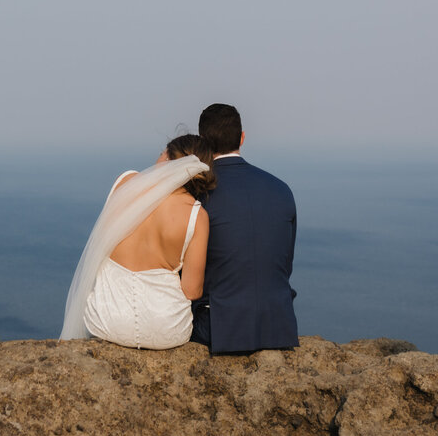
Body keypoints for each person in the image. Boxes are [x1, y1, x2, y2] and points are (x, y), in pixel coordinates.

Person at [61, 135, 215, 349]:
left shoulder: (126, 183)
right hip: (166, 330)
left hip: (106, 320)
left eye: (163, 152)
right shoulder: (196, 215)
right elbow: (192, 291)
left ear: (168, 159)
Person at [191, 103, 298, 353]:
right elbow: (285, 263)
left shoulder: (198, 193)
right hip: (277, 325)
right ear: (242, 137)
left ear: (203, 143)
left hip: (219, 328)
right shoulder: (282, 190)